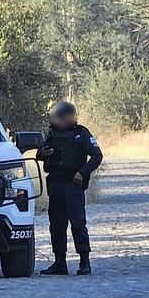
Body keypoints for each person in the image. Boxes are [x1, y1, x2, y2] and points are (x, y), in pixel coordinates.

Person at [38, 101, 103, 276]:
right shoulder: (51, 133)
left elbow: (97, 156)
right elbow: (40, 153)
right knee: (56, 225)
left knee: (78, 223)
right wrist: (42, 154)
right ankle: (60, 262)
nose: (57, 120)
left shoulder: (81, 133)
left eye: (60, 117)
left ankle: (84, 262)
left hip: (73, 184)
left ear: (69, 116)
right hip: (55, 184)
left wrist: (82, 173)